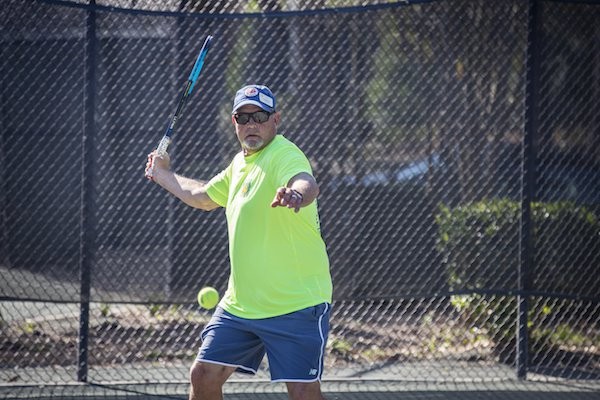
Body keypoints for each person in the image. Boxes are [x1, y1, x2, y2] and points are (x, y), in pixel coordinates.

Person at [145, 84, 333, 400]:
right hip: (242, 306)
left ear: (276, 120)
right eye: (243, 117)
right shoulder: (239, 165)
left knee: (302, 392)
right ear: (234, 122)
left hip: (296, 304)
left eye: (259, 116)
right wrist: (162, 173)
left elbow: (306, 181)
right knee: (202, 376)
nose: (251, 124)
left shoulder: (283, 153)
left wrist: (296, 194)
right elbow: (202, 197)